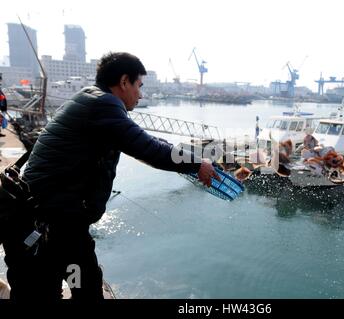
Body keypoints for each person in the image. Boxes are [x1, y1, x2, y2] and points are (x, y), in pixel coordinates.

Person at [2, 52, 219, 300]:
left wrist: (191, 158)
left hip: (49, 221)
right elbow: (147, 149)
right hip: (48, 225)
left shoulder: (92, 100)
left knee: (74, 284)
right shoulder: (103, 105)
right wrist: (196, 164)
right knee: (63, 290)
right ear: (124, 81)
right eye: (139, 85)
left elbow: (147, 141)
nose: (141, 94)